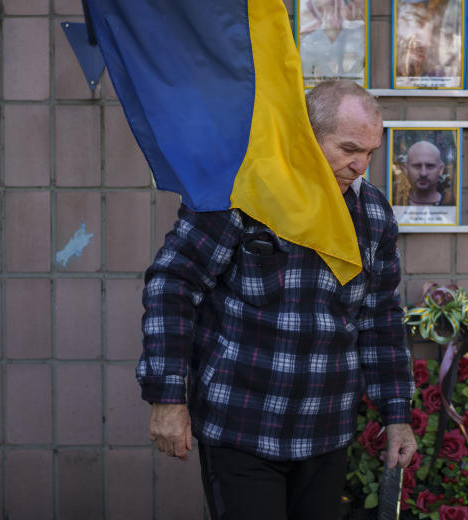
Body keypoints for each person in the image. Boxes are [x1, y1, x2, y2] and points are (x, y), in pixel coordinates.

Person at [137, 80, 416, 519]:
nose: (360, 165)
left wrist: (397, 413)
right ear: (306, 134)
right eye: (348, 149)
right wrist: (167, 397)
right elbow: (173, 285)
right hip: (242, 425)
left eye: (369, 153)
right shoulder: (243, 191)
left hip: (326, 432)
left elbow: (380, 318)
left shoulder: (373, 214)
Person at [403, 140, 446, 206]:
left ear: (440, 170)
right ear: (406, 169)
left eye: (430, 166)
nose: (423, 173)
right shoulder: (395, 203)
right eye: (417, 166)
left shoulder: (451, 203)